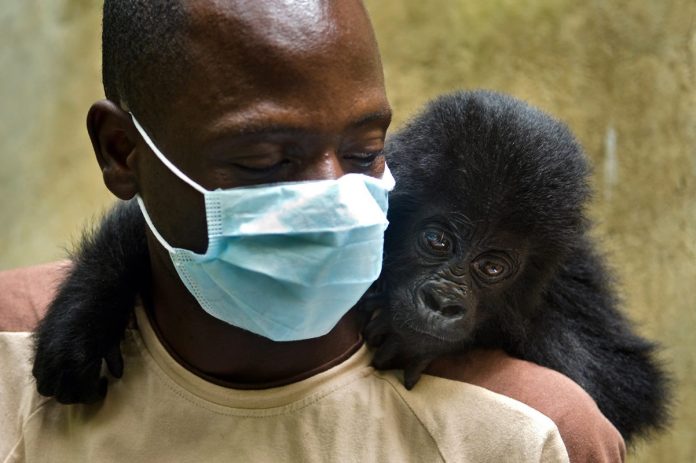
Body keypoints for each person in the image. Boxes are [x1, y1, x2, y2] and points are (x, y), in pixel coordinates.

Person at [0, 1, 625, 461]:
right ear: (124, 154)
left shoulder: (532, 428)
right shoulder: (12, 352)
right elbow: (147, 232)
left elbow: (623, 387)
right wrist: (92, 301)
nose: (329, 196)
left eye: (362, 154)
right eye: (265, 163)